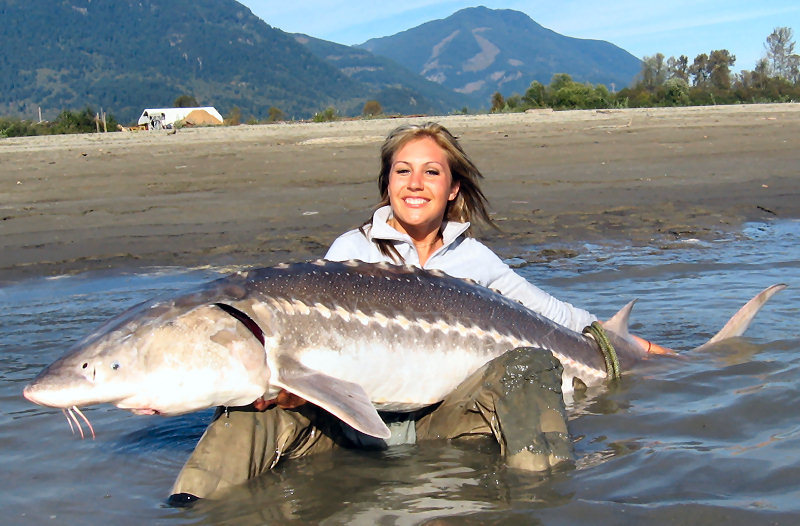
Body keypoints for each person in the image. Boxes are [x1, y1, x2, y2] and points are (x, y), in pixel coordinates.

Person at [168, 122, 666, 506]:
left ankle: (545, 501)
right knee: (242, 405)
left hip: (443, 423)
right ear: (386, 184)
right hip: (348, 425)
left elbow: (555, 314)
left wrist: (634, 348)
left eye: (432, 172)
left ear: (452, 188)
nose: (415, 183)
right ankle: (189, 506)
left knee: (528, 367)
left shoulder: (476, 261)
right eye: (402, 170)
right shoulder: (349, 252)